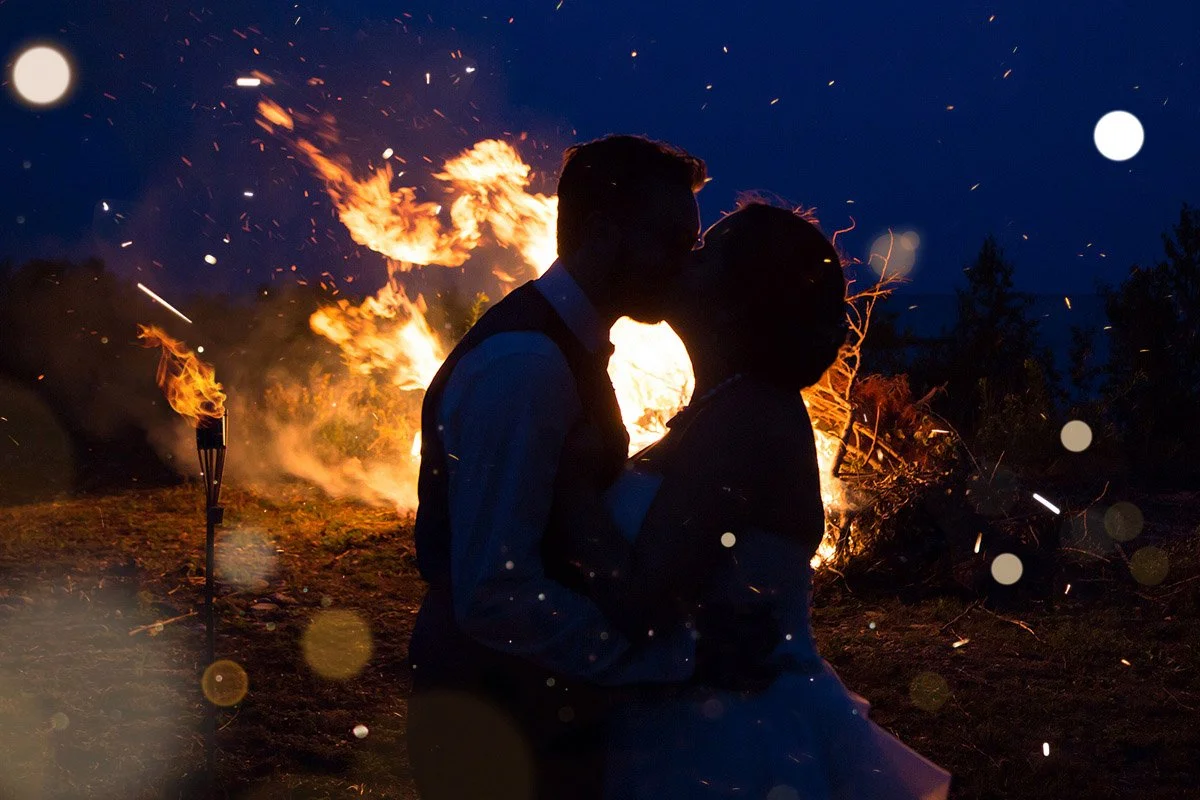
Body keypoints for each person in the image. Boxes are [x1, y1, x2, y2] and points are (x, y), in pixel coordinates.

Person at [405, 135, 780, 800]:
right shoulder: (527, 365)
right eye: (669, 240)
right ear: (604, 234)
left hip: (528, 705)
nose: (683, 263)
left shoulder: (562, 347)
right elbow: (495, 594)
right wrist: (673, 659)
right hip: (494, 717)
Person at [550, 200, 954, 799]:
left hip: (729, 742)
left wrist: (566, 484)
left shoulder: (748, 416)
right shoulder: (725, 406)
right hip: (703, 716)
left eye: (706, 252)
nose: (686, 256)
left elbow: (637, 599)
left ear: (739, 297)